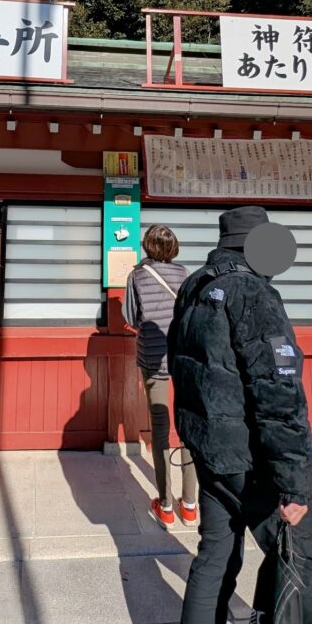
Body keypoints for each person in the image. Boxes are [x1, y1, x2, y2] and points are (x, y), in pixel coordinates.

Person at [170, 205, 312, 624]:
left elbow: (182, 364)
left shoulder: (195, 286)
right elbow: (277, 392)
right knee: (300, 556)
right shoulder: (252, 292)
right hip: (253, 458)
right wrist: (294, 481)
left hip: (209, 447)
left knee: (215, 557)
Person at [123, 223, 198, 529]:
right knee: (190, 425)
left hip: (153, 357)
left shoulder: (137, 275)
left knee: (160, 427)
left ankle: (165, 503)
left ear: (146, 246)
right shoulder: (185, 275)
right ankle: (190, 505)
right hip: (185, 356)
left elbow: (130, 317)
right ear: (173, 247)